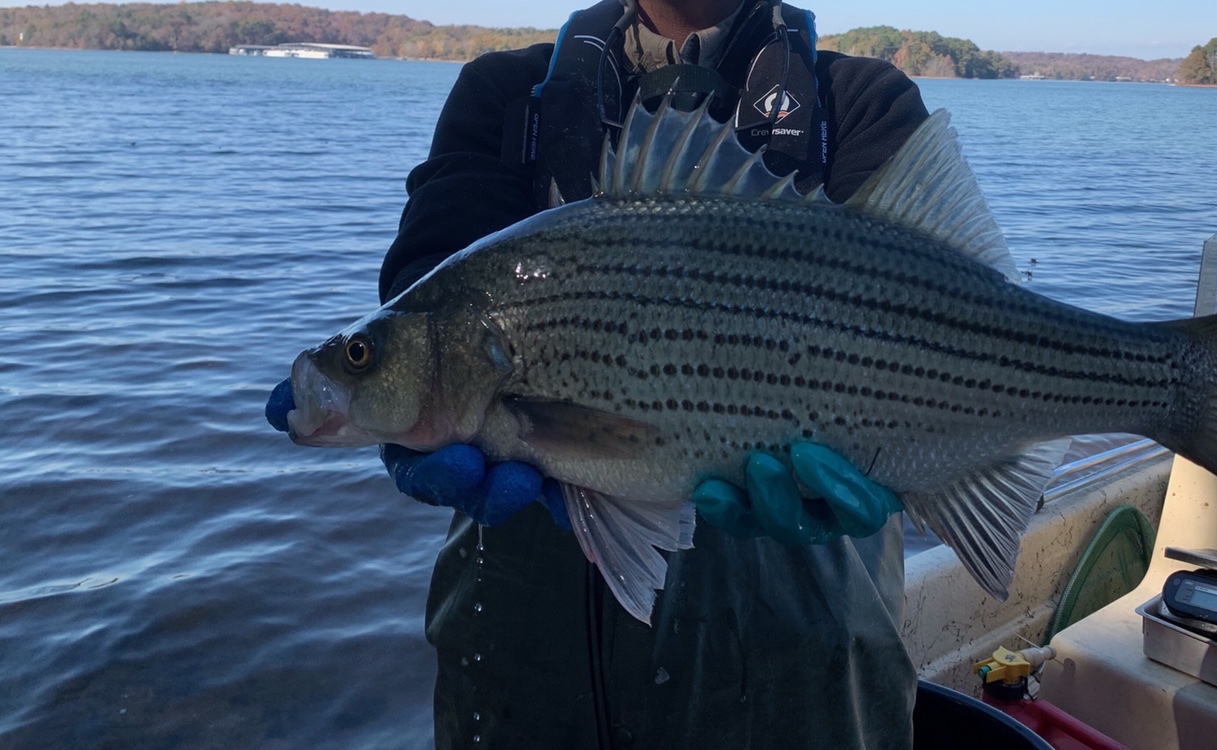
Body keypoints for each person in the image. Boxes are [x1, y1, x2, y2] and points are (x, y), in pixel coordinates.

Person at [268, 0, 935, 746]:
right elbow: (432, 274)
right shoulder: (502, 93)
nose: (354, 367)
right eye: (361, 359)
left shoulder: (860, 104)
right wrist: (390, 380)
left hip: (806, 668)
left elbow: (947, 312)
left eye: (360, 358)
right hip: (522, 661)